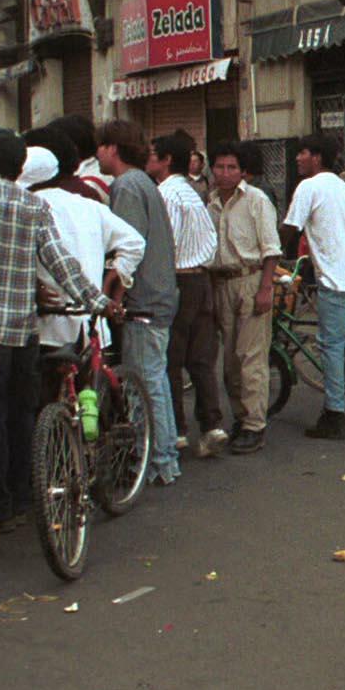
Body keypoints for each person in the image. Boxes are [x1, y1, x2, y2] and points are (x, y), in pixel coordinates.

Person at [0, 130, 110, 528]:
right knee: (21, 414)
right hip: (24, 329)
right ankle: (24, 495)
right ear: (20, 168)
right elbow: (60, 262)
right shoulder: (33, 207)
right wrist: (98, 301)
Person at [96, 119, 181, 485]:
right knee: (155, 380)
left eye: (100, 146)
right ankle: (165, 458)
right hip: (159, 295)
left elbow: (128, 248)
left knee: (145, 383)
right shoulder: (142, 182)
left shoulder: (127, 186)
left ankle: (158, 461)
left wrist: (115, 293)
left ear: (113, 148)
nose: (97, 153)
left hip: (145, 299)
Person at [281, 134, 345, 439]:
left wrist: (275, 257)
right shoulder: (339, 184)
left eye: (303, 153)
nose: (298, 158)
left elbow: (290, 229)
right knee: (339, 337)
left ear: (317, 157)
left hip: (337, 274)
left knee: (329, 343)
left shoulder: (309, 186)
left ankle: (335, 413)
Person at [19, 133, 143, 354]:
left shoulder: (26, 208)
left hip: (47, 328)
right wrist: (114, 281)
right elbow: (134, 243)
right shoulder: (89, 206)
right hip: (92, 325)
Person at [149, 133, 224, 456]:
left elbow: (168, 243)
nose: (148, 159)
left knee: (172, 360)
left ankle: (177, 429)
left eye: (153, 154)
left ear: (166, 160)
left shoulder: (165, 195)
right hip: (202, 279)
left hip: (178, 279)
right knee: (201, 359)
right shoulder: (193, 194)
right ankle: (211, 426)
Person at [206, 142, 282, 454]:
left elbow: (271, 249)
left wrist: (266, 289)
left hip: (251, 280)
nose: (225, 173)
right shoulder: (209, 204)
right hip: (221, 283)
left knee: (251, 357)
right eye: (220, 167)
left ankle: (254, 425)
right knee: (230, 361)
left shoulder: (256, 200)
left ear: (242, 172)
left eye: (232, 168)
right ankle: (241, 416)